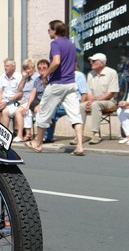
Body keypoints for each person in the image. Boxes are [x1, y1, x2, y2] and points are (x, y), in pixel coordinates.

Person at [26, 20, 85, 155]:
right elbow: (74, 65)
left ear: (54, 30)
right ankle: (80, 146)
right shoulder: (71, 45)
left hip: (57, 83)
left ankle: (38, 143)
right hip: (71, 83)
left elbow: (56, 61)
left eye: (49, 30)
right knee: (75, 115)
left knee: (43, 112)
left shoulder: (55, 43)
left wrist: (45, 75)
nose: (48, 32)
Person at [80, 52, 119, 145]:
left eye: (94, 61)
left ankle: (95, 134)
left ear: (102, 63)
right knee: (81, 106)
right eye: (91, 61)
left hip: (109, 102)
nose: (91, 62)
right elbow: (89, 91)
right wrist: (90, 101)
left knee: (95, 105)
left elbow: (111, 93)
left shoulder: (112, 73)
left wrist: (95, 101)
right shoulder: (90, 74)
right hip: (94, 101)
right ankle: (79, 135)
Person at [44, 64, 87, 143]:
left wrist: (81, 105)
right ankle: (47, 137)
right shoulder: (60, 77)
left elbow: (84, 93)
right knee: (51, 109)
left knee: (75, 114)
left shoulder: (78, 75)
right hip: (61, 104)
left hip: (74, 102)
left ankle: (79, 138)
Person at [5, 58, 39, 142]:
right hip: (21, 101)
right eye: (25, 69)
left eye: (29, 68)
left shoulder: (36, 77)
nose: (27, 71)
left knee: (18, 111)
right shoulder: (26, 78)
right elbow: (19, 90)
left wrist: (25, 102)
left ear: (33, 68)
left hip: (30, 101)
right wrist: (23, 78)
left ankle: (20, 134)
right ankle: (5, 134)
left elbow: (35, 93)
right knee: (5, 111)